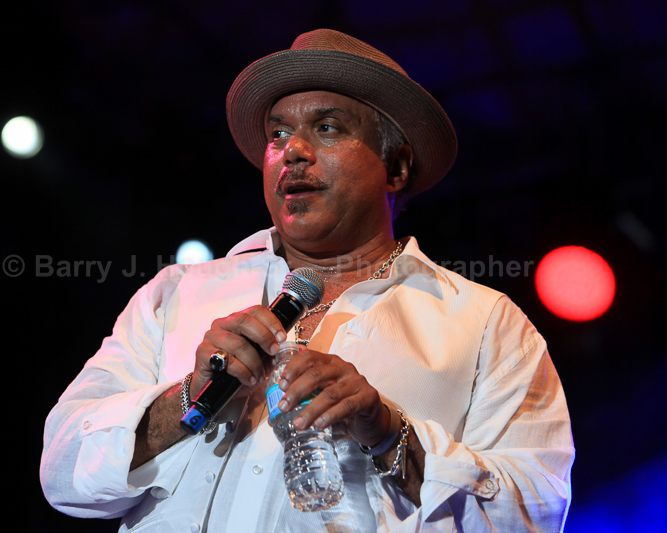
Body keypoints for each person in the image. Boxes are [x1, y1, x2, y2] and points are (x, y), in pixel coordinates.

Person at [40, 29, 574, 532]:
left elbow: (532, 514)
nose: (291, 150)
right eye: (278, 132)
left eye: (328, 127)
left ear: (396, 168)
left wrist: (387, 432)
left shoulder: (485, 325)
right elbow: (63, 473)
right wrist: (185, 399)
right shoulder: (177, 293)